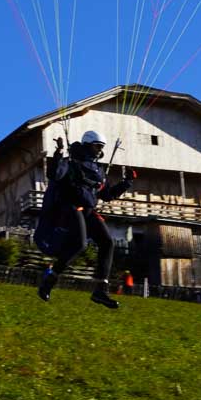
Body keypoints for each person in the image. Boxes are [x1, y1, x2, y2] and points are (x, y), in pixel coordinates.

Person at [34, 129, 132, 308]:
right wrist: (58, 152)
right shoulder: (71, 162)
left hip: (88, 209)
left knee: (107, 242)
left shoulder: (98, 170)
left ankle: (100, 291)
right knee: (80, 244)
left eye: (101, 147)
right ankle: (49, 281)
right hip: (70, 207)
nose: (100, 150)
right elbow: (54, 174)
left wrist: (126, 183)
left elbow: (106, 195)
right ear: (87, 145)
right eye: (97, 146)